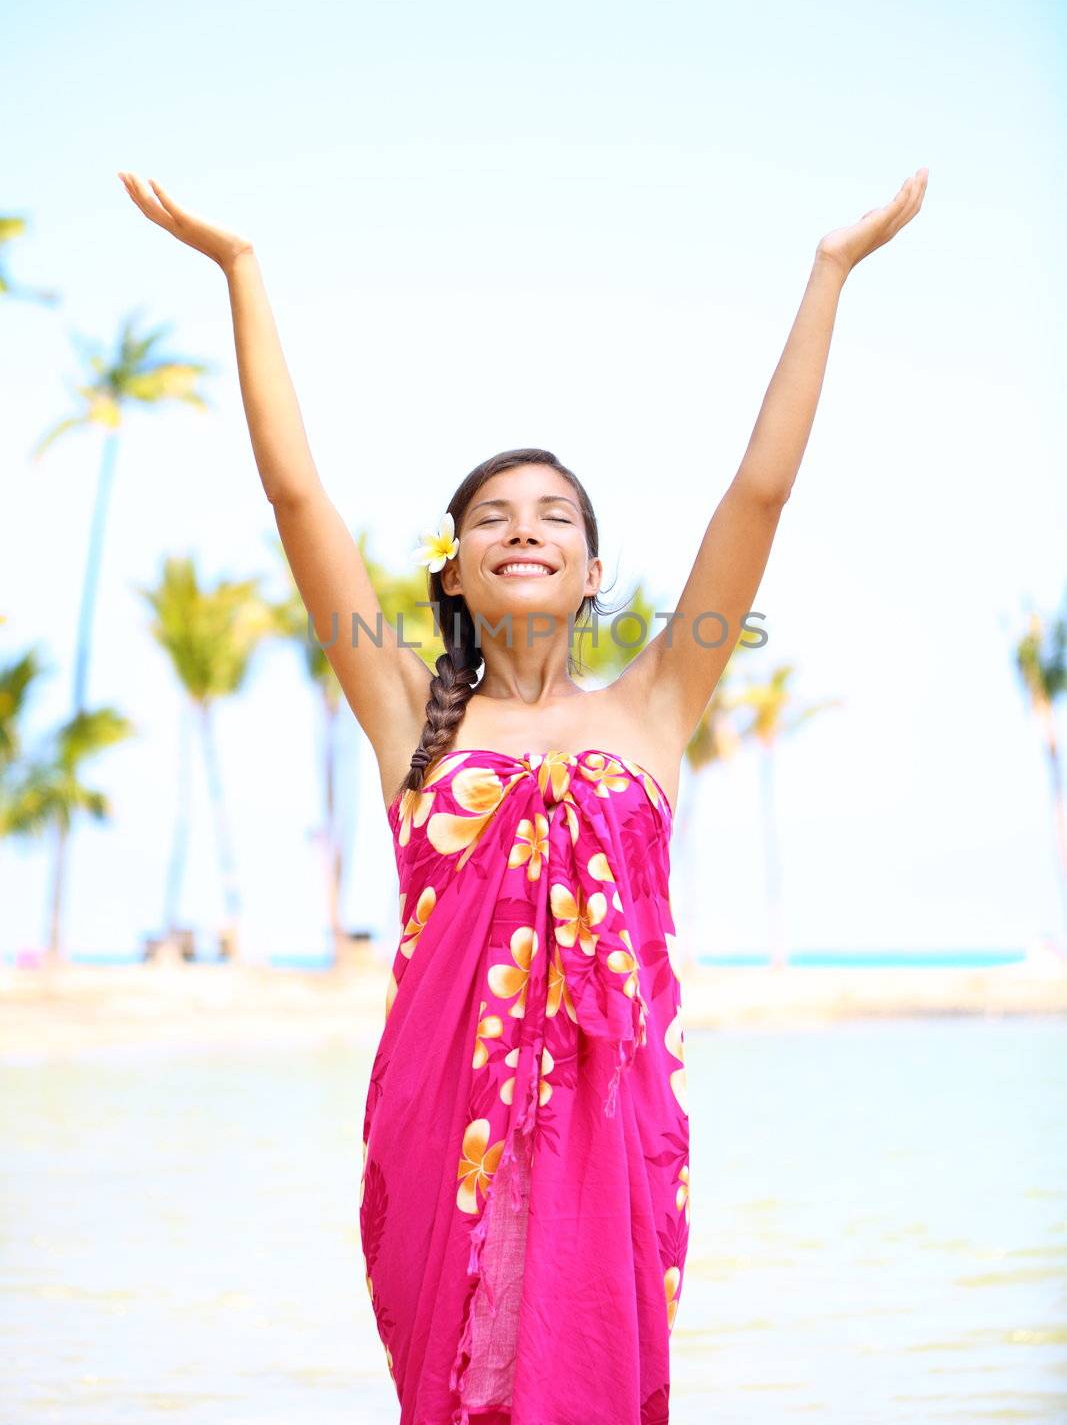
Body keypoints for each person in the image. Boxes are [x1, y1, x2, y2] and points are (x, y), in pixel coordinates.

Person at [117, 165, 929, 1423]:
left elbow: (756, 493)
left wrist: (828, 269)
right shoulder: (407, 713)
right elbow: (296, 499)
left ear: (593, 567)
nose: (523, 529)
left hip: (605, 1150)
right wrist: (240, 267)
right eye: (491, 517)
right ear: (455, 570)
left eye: (553, 514)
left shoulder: (655, 703)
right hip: (445, 1141)